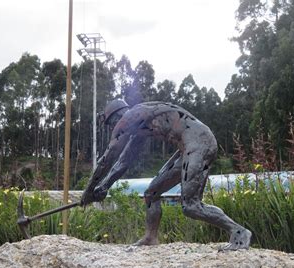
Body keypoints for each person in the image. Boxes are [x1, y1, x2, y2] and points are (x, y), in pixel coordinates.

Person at [80, 100, 251, 250]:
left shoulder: (130, 117)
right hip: (189, 147)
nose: (114, 128)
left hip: (199, 144)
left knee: (191, 206)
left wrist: (88, 191)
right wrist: (104, 186)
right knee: (151, 193)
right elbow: (123, 162)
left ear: (117, 117)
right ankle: (150, 237)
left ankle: (239, 232)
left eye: (112, 124)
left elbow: (107, 159)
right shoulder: (140, 125)